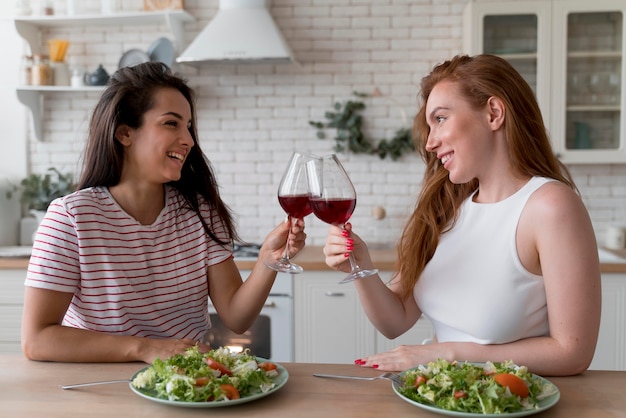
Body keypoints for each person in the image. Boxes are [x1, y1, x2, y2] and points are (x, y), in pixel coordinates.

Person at [322, 54, 601, 376]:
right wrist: (362, 266)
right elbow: (395, 321)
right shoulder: (447, 209)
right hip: (446, 395)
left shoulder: (550, 206)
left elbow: (572, 353)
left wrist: (444, 353)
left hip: (512, 402)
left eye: (440, 119)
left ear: (493, 113)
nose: (429, 142)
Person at [21, 62, 306, 363]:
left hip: (184, 386)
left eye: (189, 126)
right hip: (100, 389)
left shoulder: (199, 212)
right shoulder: (71, 218)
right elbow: (37, 339)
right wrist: (144, 348)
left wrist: (267, 260)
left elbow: (237, 318)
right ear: (124, 134)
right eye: (172, 123)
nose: (189, 140)